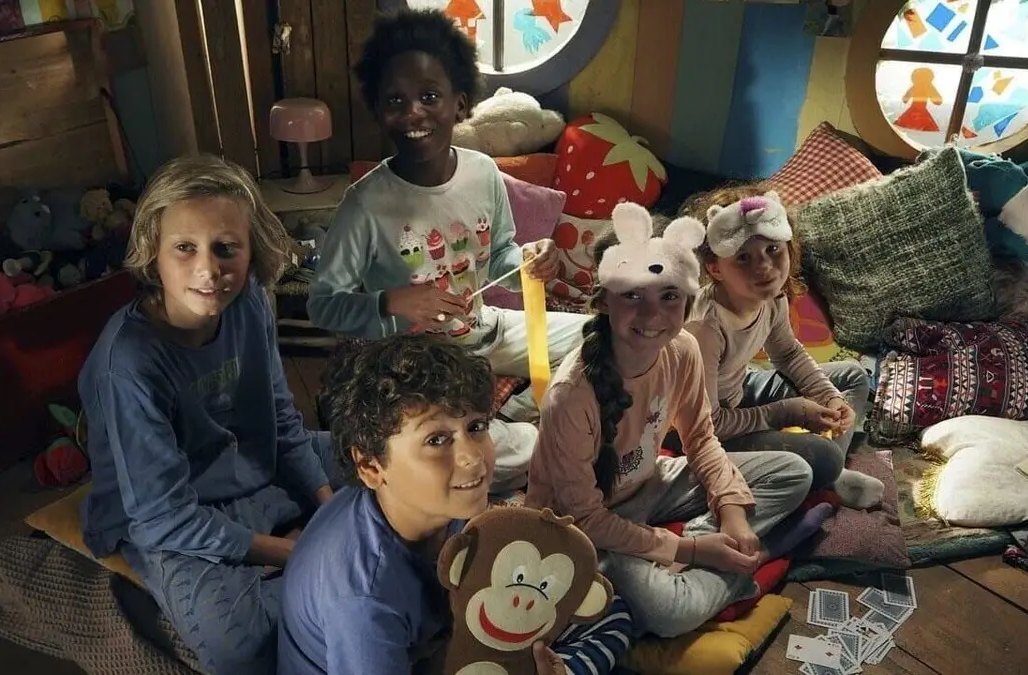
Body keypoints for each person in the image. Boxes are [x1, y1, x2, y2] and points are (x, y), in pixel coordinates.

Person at [306, 8, 589, 492]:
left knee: (603, 337)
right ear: (378, 110)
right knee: (468, 456)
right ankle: (526, 435)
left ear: (460, 105)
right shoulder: (365, 204)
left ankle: (524, 411)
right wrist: (390, 302)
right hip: (416, 365)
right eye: (395, 100)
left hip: (487, 329)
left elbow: (499, 255)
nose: (413, 112)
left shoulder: (483, 173)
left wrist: (528, 259)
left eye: (429, 97)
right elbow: (323, 305)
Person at [78, 154, 335, 675]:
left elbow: (283, 420)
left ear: (251, 248)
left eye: (226, 248)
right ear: (152, 250)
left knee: (391, 456)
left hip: (252, 464)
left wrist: (327, 507)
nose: (208, 270)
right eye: (184, 248)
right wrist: (295, 553)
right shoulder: (126, 364)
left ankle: (312, 557)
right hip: (174, 513)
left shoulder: (250, 301)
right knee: (242, 645)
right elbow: (161, 515)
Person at [525, 202, 824, 638]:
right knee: (668, 614)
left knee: (793, 472)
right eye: (633, 295)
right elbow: (585, 518)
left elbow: (700, 437)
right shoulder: (571, 398)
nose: (653, 316)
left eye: (669, 295)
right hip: (588, 527)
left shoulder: (682, 349)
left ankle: (725, 553)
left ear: (688, 298)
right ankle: (744, 560)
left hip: (651, 484)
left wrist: (732, 511)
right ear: (604, 301)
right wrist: (690, 549)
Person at [278, 334, 633, 675]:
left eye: (476, 427)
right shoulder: (364, 599)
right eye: (436, 440)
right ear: (371, 467)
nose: (472, 456)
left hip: (439, 643)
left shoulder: (434, 512)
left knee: (608, 608)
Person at [678, 185, 883, 509]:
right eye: (743, 257)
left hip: (739, 392)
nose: (764, 267)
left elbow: (787, 353)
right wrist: (786, 412)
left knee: (853, 376)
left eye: (773, 249)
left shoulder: (771, 296)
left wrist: (829, 397)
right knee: (824, 456)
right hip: (701, 431)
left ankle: (832, 473)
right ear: (715, 268)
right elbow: (707, 423)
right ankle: (829, 470)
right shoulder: (705, 328)